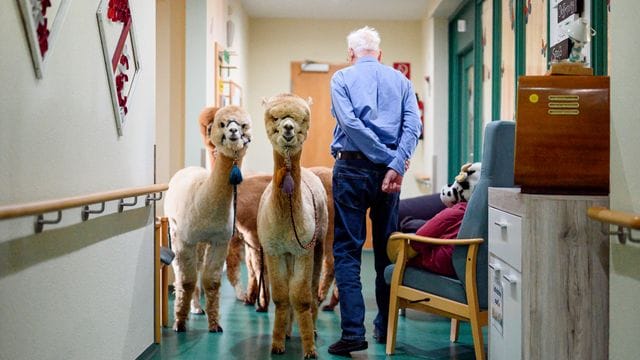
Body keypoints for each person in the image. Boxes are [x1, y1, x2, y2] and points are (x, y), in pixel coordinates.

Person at [328, 26, 422, 356]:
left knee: (347, 251)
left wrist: (384, 158)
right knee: (386, 250)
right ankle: (385, 328)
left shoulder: (341, 79)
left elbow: (350, 124)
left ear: (350, 55)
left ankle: (353, 335)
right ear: (380, 54)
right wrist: (394, 163)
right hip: (390, 176)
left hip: (351, 169)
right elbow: (414, 126)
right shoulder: (402, 81)